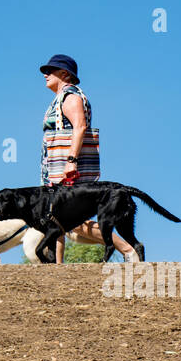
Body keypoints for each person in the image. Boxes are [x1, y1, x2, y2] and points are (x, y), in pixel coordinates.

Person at [38, 54, 139, 263]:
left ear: (64, 74)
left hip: (69, 169)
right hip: (57, 169)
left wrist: (71, 161)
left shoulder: (70, 97)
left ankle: (128, 250)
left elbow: (80, 126)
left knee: (70, 220)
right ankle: (56, 269)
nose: (45, 75)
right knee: (56, 218)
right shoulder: (61, 98)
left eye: (50, 70)